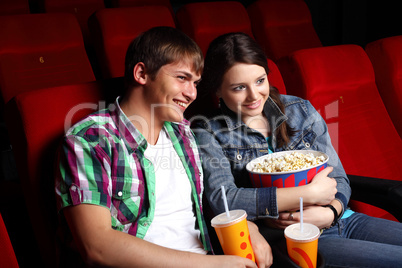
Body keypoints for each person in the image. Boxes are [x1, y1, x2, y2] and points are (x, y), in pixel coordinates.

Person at [55, 27, 272, 268]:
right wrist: (213, 265)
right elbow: (97, 247)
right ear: (142, 73)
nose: (191, 93)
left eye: (196, 83)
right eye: (182, 78)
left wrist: (247, 227)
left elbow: (203, 209)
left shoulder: (184, 133)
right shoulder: (91, 140)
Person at [192, 32, 402, 267]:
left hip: (343, 218)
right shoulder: (207, 131)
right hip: (297, 238)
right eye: (239, 87)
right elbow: (225, 200)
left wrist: (330, 212)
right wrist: (307, 196)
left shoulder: (299, 109)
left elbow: (339, 178)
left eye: (260, 81)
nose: (254, 95)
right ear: (218, 90)